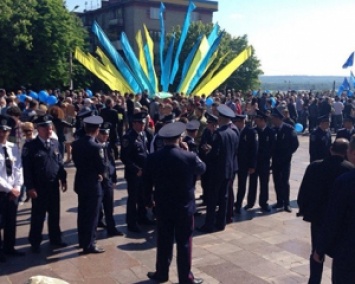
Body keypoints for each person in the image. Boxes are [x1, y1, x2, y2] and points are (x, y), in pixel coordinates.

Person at [144, 122, 205, 284]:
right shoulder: (189, 156)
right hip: (184, 207)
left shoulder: (153, 158)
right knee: (184, 242)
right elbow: (202, 168)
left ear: (163, 140)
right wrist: (189, 151)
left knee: (163, 240)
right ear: (179, 139)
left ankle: (161, 273)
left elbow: (146, 182)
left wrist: (148, 201)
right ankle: (186, 278)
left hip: (163, 206)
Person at [297, 139, 353, 284]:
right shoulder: (349, 170)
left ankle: (314, 280)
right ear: (346, 152)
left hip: (318, 218)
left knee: (317, 252)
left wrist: (304, 210)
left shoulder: (315, 166)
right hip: (343, 224)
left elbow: (303, 193)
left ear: (331, 149)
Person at [22, 114, 67, 253]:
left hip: (53, 185)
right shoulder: (31, 146)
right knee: (38, 216)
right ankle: (35, 241)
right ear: (38, 129)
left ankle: (55, 238)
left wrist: (63, 178)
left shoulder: (55, 143)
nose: (49, 129)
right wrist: (29, 187)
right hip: (38, 187)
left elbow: (59, 163)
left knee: (54, 213)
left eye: (50, 127)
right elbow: (27, 169)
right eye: (46, 127)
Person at [313, 136, 355, 283]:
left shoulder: (346, 182)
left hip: (348, 252)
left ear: (352, 153)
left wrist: (320, 248)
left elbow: (333, 219)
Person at [198, 104, 239, 233]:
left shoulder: (219, 134)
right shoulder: (233, 132)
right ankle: (221, 223)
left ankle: (209, 225)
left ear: (221, 119)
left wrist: (207, 152)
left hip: (217, 171)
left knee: (212, 198)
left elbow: (215, 154)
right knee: (224, 197)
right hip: (228, 170)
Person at [71, 115, 106, 254]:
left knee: (82, 212)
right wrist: (99, 173)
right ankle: (89, 243)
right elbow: (101, 166)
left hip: (80, 180)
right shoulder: (96, 146)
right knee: (92, 215)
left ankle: (82, 240)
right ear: (97, 130)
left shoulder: (77, 144)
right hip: (92, 183)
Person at [120, 112, 153, 233]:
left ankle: (142, 217)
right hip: (134, 173)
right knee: (133, 198)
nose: (143, 125)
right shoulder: (128, 137)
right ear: (134, 123)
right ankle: (131, 222)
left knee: (142, 196)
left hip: (144, 171)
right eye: (140, 123)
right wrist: (135, 169)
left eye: (144, 123)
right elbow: (124, 157)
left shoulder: (143, 134)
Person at [0, 115, 24, 262]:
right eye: (1, 130)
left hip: (13, 191)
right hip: (2, 191)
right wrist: (10, 189)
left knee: (11, 221)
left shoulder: (13, 147)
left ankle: (10, 247)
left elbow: (18, 168)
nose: (3, 133)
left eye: (6, 131)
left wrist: (18, 186)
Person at [96, 122, 123, 237]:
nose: (105, 136)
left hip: (108, 180)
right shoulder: (94, 146)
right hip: (98, 181)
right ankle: (97, 224)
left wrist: (114, 178)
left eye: (107, 134)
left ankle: (111, 228)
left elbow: (111, 163)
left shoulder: (108, 145)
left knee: (109, 206)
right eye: (103, 134)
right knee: (97, 207)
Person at [270, 108, 299, 212]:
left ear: (278, 119)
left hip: (285, 160)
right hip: (275, 160)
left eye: (273, 118)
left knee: (285, 181)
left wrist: (288, 154)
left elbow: (295, 144)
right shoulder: (273, 130)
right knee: (276, 180)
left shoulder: (289, 129)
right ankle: (279, 201)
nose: (272, 120)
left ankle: (286, 203)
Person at [248, 110, 275, 212]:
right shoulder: (253, 131)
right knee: (252, 183)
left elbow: (272, 148)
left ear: (263, 120)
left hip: (265, 163)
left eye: (258, 120)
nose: (256, 121)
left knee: (264, 184)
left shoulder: (270, 132)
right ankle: (250, 202)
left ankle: (264, 203)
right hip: (254, 162)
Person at [233, 114, 258, 214]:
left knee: (241, 184)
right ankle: (232, 202)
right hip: (234, 162)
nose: (236, 124)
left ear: (242, 122)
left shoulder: (251, 132)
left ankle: (238, 204)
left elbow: (254, 150)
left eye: (237, 122)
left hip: (244, 164)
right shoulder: (234, 131)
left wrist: (252, 165)